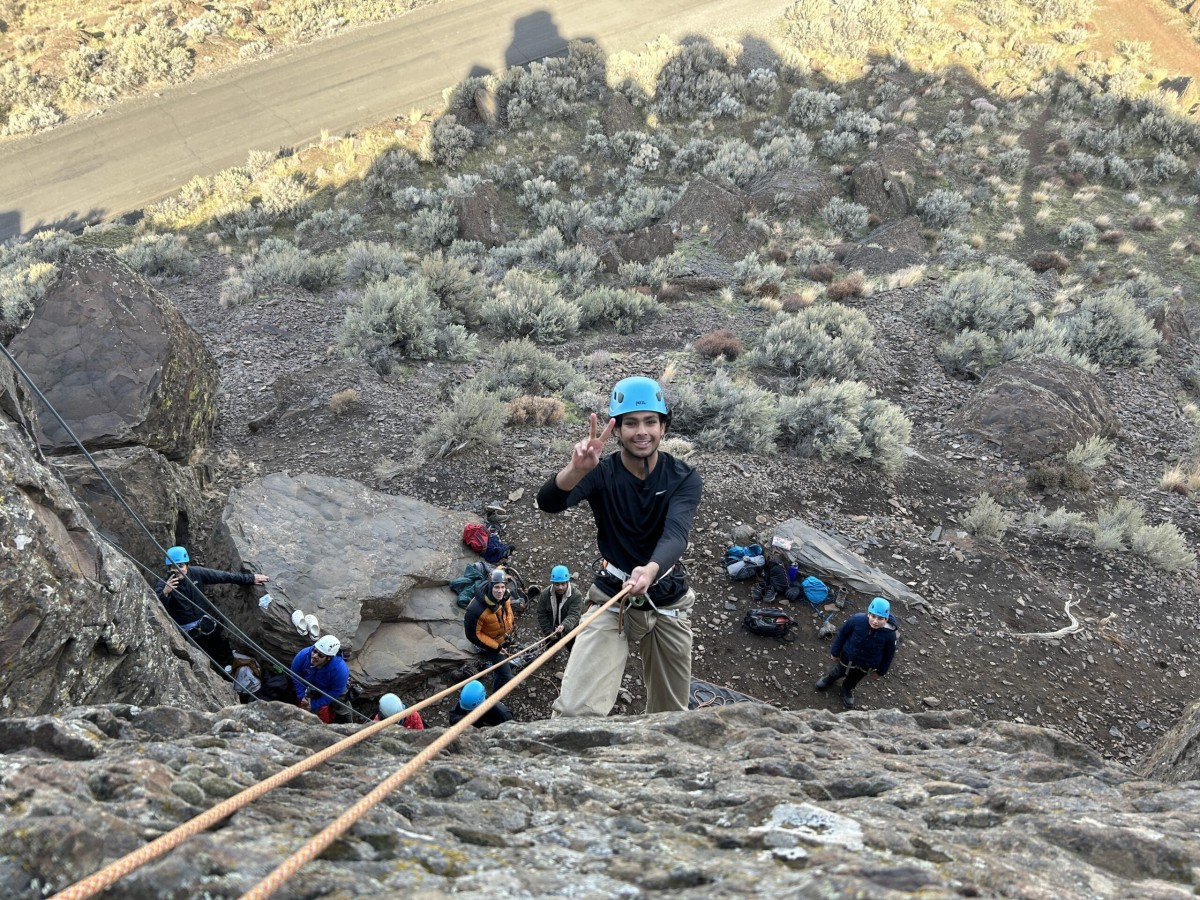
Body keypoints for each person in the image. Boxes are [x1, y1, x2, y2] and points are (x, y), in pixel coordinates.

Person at [537, 376, 702, 717]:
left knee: (671, 714)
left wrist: (651, 569)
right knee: (574, 712)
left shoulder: (683, 477)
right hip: (613, 596)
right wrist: (574, 470)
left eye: (650, 422)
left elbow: (676, 534)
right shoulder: (602, 472)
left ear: (663, 427)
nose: (642, 431)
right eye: (631, 423)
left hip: (666, 594)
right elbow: (548, 503)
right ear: (617, 431)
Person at [154, 545, 268, 665]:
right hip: (186, 633)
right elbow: (157, 608)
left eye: (181, 566)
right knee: (199, 659)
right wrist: (165, 593)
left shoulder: (196, 573)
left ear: (188, 565)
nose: (177, 570)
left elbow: (223, 576)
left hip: (205, 623)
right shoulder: (164, 584)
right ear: (168, 568)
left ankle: (227, 666)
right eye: (173, 567)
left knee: (219, 648)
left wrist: (250, 578)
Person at [815, 597, 898, 709]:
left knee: (855, 678)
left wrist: (880, 671)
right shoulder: (857, 620)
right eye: (873, 616)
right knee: (839, 670)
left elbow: (889, 654)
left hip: (867, 664)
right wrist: (835, 652)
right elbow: (842, 634)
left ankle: (847, 688)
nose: (875, 621)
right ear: (868, 613)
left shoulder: (889, 635)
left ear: (886, 619)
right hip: (848, 656)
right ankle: (830, 678)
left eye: (880, 618)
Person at [463, 569, 516, 693]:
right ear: (490, 586)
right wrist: (496, 647)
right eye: (497, 587)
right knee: (505, 676)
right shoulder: (476, 609)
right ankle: (494, 698)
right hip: (491, 644)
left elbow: (508, 613)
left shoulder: (505, 596)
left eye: (503, 587)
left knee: (504, 663)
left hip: (504, 636)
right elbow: (472, 635)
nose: (500, 591)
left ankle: (502, 667)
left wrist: (510, 627)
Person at [291, 634, 350, 723]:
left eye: (320, 655)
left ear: (328, 658)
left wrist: (314, 704)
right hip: (307, 688)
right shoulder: (304, 655)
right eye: (314, 651)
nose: (314, 655)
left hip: (326, 691)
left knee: (334, 709)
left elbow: (335, 692)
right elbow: (295, 675)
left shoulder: (340, 670)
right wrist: (302, 695)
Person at [533, 565, 584, 641]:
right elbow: (541, 614)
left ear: (568, 582)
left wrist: (564, 626)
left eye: (563, 584)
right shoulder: (545, 595)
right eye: (557, 584)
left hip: (570, 630)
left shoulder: (576, 596)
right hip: (551, 630)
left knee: (573, 649)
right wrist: (548, 632)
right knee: (551, 650)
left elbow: (574, 615)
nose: (560, 587)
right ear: (553, 583)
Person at [448, 679, 513, 728]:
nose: (468, 713)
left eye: (471, 710)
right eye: (467, 710)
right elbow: (453, 716)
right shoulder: (466, 702)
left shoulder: (502, 714)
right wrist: (465, 720)